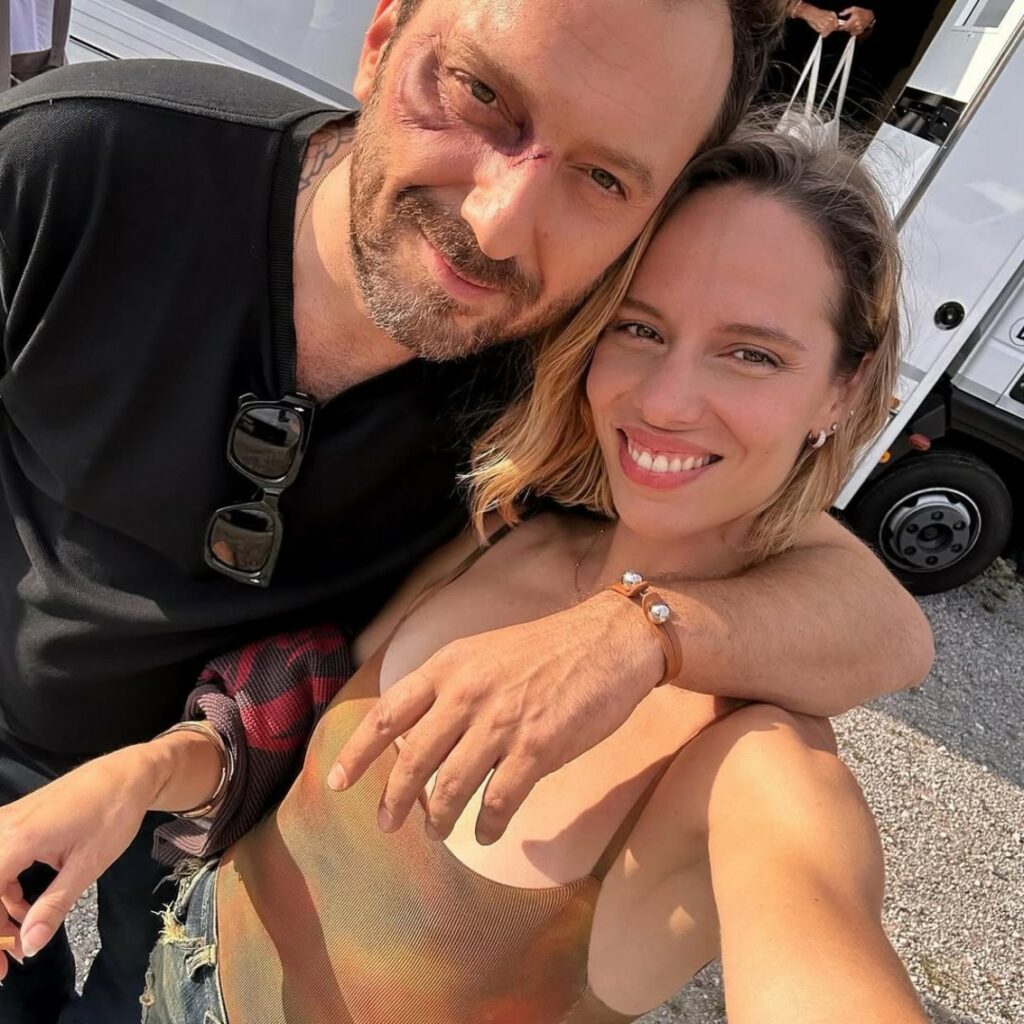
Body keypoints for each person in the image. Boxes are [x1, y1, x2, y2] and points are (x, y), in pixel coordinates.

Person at [0, 0, 933, 1019]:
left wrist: (634, 635)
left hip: (169, 836)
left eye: (603, 177)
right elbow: (324, 693)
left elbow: (884, 630)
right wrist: (145, 774)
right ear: (379, 39)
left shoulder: (537, 358)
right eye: (482, 93)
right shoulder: (83, 163)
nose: (498, 222)